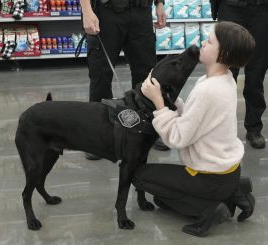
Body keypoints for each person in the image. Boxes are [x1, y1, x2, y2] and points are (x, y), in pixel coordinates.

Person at [132, 21, 256, 237]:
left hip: (209, 176)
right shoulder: (222, 79)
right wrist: (173, 100)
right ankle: (234, 191)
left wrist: (158, 103)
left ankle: (210, 209)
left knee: (138, 176)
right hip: (227, 169)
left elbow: (177, 138)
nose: (202, 44)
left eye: (209, 41)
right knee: (163, 200)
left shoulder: (208, 90)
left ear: (223, 53)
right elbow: (197, 118)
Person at [80, 0, 169, 160]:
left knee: (147, 74)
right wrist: (87, 11)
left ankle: (148, 126)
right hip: (106, 13)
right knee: (101, 74)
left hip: (141, 11)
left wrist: (160, 4)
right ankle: (98, 135)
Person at [210, 0, 268, 149]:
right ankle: (221, 129)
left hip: (263, 8)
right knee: (225, 72)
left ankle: (254, 128)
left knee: (256, 74)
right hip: (231, 6)